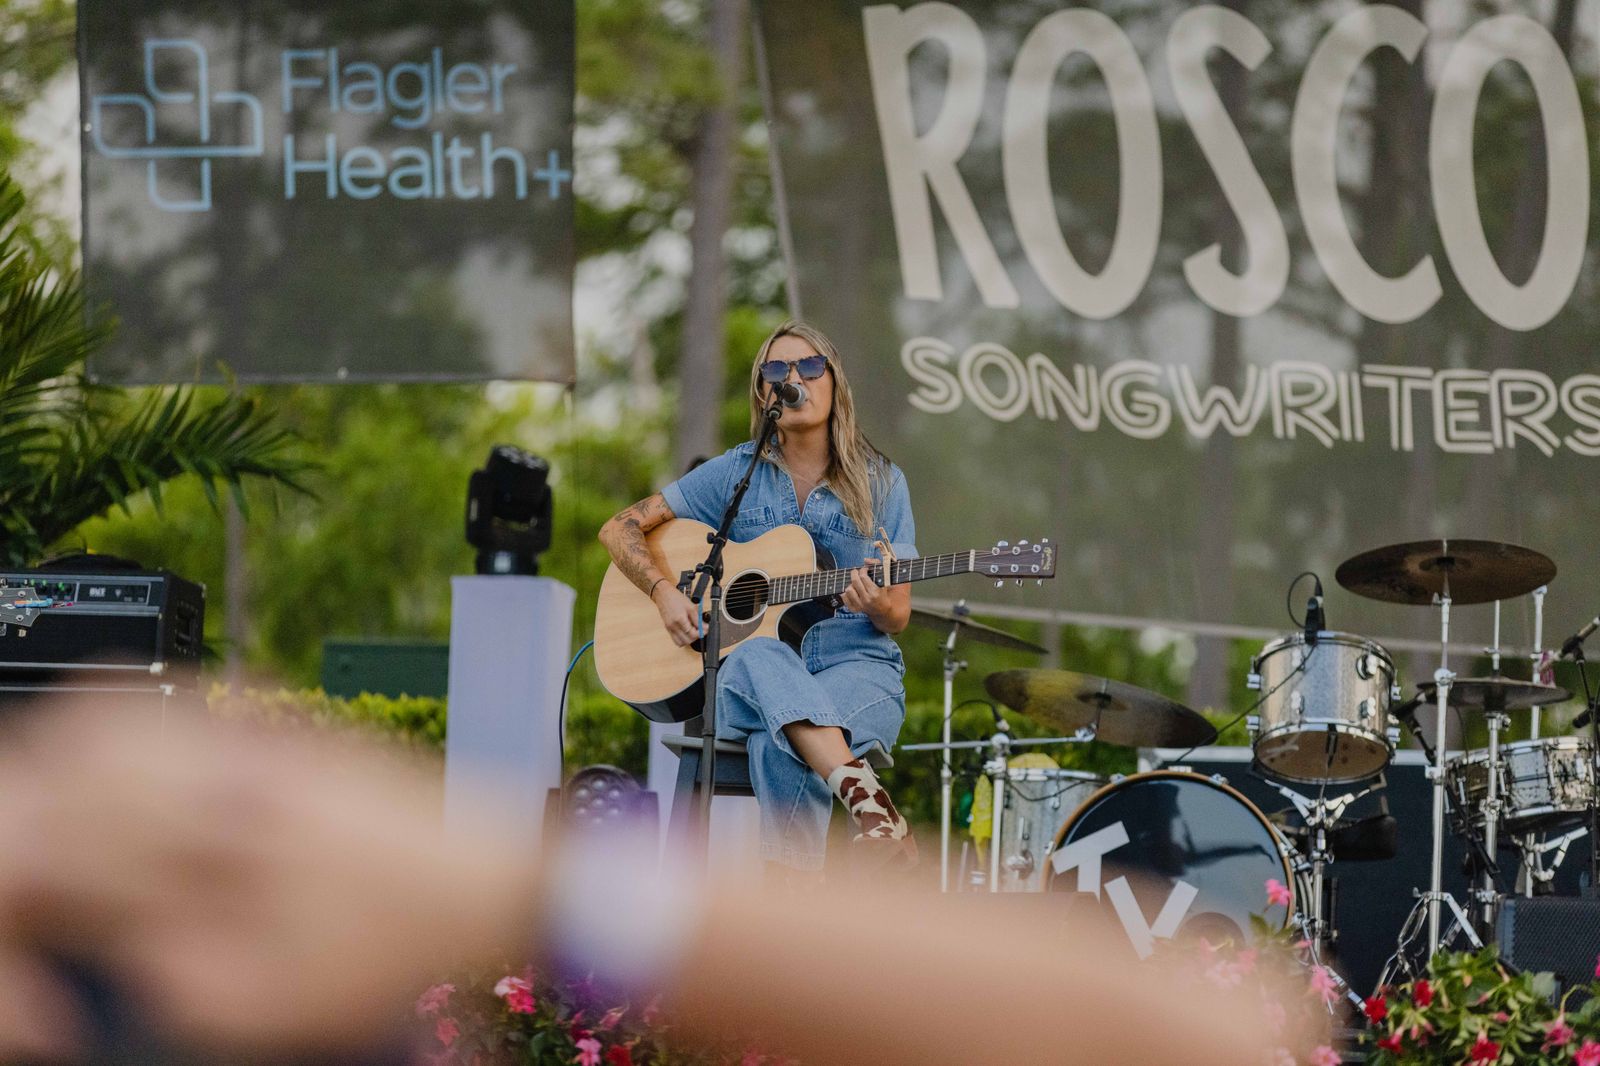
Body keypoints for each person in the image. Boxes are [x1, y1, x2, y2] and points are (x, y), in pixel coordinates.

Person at [598, 320, 918, 874]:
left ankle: (788, 899)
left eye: (809, 366)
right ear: (763, 391)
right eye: (777, 369)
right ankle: (868, 802)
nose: (794, 378)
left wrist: (874, 603)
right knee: (755, 654)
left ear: (834, 381)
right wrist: (663, 592)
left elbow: (899, 615)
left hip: (857, 666)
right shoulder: (735, 472)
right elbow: (618, 528)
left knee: (779, 743)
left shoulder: (883, 482)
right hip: (759, 673)